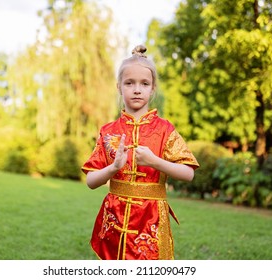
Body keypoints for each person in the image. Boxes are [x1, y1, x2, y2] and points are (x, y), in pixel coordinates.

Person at [81, 45, 199, 260]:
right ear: (119, 87)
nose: (137, 89)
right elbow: (91, 181)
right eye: (129, 83)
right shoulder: (108, 132)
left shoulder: (165, 130)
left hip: (151, 221)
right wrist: (114, 168)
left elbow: (188, 173)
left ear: (153, 88)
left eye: (144, 84)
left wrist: (155, 162)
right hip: (113, 220)